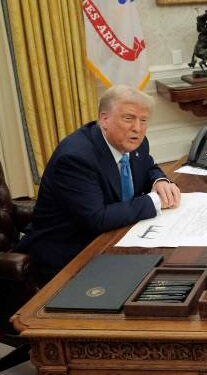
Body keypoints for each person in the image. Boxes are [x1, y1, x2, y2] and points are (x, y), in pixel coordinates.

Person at [15, 86, 181, 285]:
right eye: (128, 118)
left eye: (143, 120)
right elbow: (97, 218)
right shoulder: (76, 157)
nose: (137, 128)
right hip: (69, 254)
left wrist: (159, 180)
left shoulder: (136, 141)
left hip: (115, 238)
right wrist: (155, 201)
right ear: (104, 119)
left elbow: (148, 166)